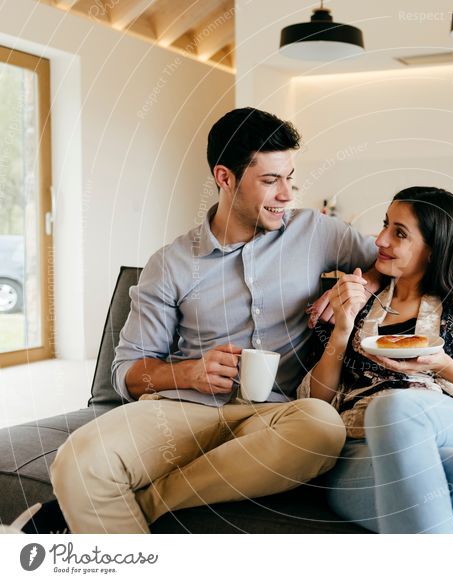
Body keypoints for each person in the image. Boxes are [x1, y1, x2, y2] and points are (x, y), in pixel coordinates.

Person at [48, 107, 380, 533]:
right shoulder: (170, 264)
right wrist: (189, 372)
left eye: (290, 178)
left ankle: (151, 503)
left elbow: (396, 260)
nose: (287, 195)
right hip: (184, 411)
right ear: (225, 178)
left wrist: (363, 283)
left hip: (279, 416)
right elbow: (127, 374)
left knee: (321, 425)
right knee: (78, 463)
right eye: (269, 180)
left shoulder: (317, 231)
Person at [298, 186, 453, 534]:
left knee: (395, 408)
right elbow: (313, 406)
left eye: (399, 233)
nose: (379, 240)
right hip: (362, 447)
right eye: (385, 225)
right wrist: (341, 331)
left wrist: (443, 365)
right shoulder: (355, 305)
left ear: (433, 249)